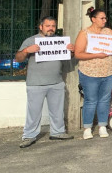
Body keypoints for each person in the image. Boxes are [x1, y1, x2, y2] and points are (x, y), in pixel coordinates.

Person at [15, 16, 75, 148]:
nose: (51, 28)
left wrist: (71, 51)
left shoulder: (60, 41)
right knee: (33, 112)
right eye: (48, 26)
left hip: (56, 82)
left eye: (53, 26)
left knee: (57, 110)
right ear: (40, 27)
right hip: (35, 83)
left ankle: (58, 132)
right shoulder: (30, 40)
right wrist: (26, 50)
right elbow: (18, 58)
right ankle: (29, 136)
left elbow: (68, 57)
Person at [74, 7, 112, 139]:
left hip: (109, 72)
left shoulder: (109, 31)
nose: (105, 20)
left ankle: (102, 126)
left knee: (104, 100)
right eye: (102, 18)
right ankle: (87, 128)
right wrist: (97, 55)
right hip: (90, 73)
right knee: (91, 100)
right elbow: (78, 53)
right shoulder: (84, 33)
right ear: (93, 19)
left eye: (105, 18)